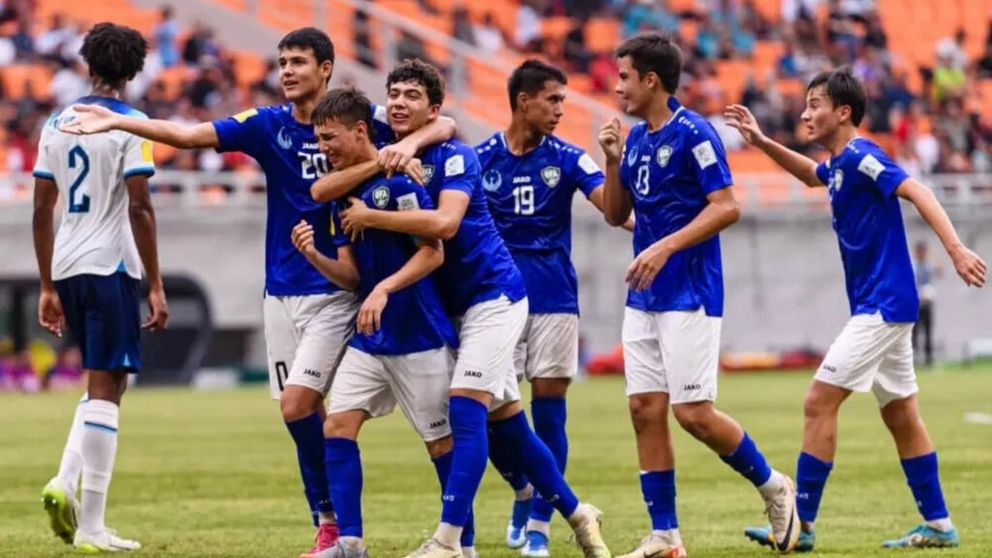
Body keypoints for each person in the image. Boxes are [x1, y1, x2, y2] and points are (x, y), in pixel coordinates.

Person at [60, 27, 456, 558]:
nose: (287, 70)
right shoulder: (267, 125)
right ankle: (334, 524)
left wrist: (406, 143)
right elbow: (188, 134)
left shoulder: (367, 122)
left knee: (305, 404)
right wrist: (117, 120)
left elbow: (445, 124)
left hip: (338, 289)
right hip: (281, 292)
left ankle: (356, 528)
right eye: (281, 61)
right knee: (300, 414)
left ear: (327, 68)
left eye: (298, 61)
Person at [310, 59, 610, 558]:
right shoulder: (385, 139)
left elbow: (446, 226)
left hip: (492, 297)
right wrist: (396, 152)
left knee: (465, 412)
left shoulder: (455, 156)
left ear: (434, 107)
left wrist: (372, 215)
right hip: (448, 307)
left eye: (413, 95)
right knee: (509, 424)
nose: (401, 103)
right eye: (395, 94)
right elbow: (323, 187)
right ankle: (579, 513)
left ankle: (449, 541)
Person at [726, 67, 986, 550]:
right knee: (902, 415)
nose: (805, 113)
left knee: (818, 401)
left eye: (815, 104)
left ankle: (800, 526)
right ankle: (940, 524)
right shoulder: (840, 164)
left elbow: (918, 190)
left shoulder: (865, 156)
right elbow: (811, 174)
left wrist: (954, 249)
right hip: (880, 304)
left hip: (884, 306)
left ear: (843, 112)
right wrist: (761, 142)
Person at [597, 32, 799, 558]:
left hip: (690, 291)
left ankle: (775, 486)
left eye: (623, 77)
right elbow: (616, 214)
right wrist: (613, 161)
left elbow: (728, 205)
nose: (616, 87)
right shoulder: (637, 138)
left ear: (651, 80)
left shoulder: (696, 133)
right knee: (644, 409)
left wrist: (663, 246)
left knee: (694, 414)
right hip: (643, 295)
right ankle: (665, 536)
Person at [292, 87, 459, 558]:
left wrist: (385, 288)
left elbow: (433, 252)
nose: (323, 147)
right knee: (337, 426)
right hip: (372, 340)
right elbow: (351, 276)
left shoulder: (400, 182)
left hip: (417, 333)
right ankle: (349, 543)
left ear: (360, 130)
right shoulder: (337, 194)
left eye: (330, 137)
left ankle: (460, 545)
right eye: (319, 138)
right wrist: (314, 256)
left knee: (439, 444)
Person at [476, 59, 631, 557]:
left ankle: (541, 525)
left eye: (564, 100)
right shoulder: (480, 160)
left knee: (550, 414)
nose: (561, 110)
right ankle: (524, 489)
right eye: (554, 100)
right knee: (490, 413)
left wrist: (612, 159)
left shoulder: (568, 158)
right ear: (524, 101)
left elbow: (614, 210)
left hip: (555, 300)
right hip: (495, 302)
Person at [34, 22, 168, 553]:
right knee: (109, 388)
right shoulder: (132, 122)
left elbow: (43, 209)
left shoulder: (55, 121)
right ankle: (91, 526)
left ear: (87, 63)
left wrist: (46, 284)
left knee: (104, 382)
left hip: (66, 263)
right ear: (134, 71)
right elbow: (140, 205)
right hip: (111, 264)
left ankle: (64, 482)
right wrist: (156, 283)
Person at [912, 241, 938, 366]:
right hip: (916, 304)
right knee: (914, 333)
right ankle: (914, 359)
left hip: (927, 304)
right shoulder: (913, 267)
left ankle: (929, 359)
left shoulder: (928, 267)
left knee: (928, 332)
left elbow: (934, 278)